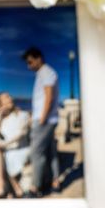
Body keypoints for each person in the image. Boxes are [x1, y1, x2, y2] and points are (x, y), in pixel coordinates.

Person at [23, 47, 61, 197]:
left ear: (38, 58)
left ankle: (35, 188)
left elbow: (49, 97)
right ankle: (55, 182)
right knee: (51, 151)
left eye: (30, 61)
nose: (29, 66)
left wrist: (42, 119)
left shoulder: (46, 72)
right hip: (49, 118)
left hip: (44, 120)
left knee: (36, 152)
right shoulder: (46, 73)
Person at [0, 92, 31, 198]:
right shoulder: (0, 118)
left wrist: (4, 144)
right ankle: (0, 183)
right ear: (0, 103)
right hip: (8, 149)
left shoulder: (23, 114)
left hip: (21, 148)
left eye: (10, 96)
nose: (10, 98)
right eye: (6, 97)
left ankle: (13, 189)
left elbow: (22, 133)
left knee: (3, 154)